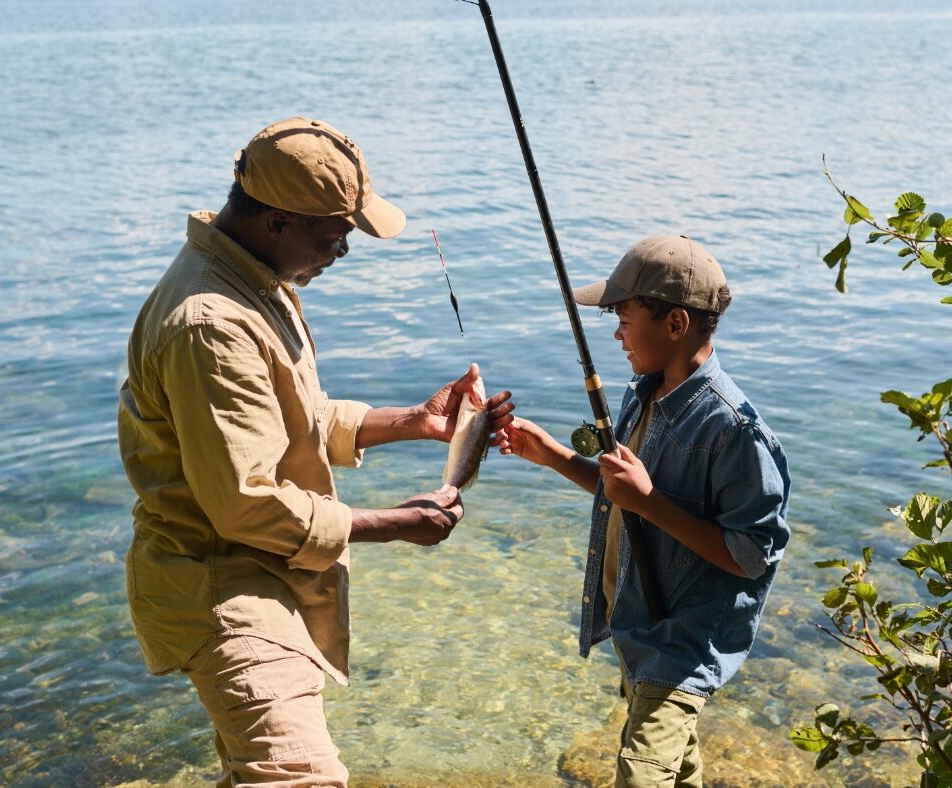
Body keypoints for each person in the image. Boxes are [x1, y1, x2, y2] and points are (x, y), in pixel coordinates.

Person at [117, 116, 514, 786]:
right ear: (278, 222)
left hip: (264, 579)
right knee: (303, 777)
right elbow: (246, 503)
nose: (343, 252)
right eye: (336, 236)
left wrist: (415, 421)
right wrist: (396, 524)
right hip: (224, 590)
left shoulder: (253, 282)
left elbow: (290, 422)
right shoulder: (212, 323)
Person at [498, 236, 790, 786]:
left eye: (626, 321)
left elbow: (752, 554)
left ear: (676, 323)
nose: (616, 334)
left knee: (641, 775)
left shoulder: (736, 431)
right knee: (678, 771)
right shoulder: (642, 393)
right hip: (638, 628)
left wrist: (651, 502)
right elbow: (623, 497)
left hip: (682, 645)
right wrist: (552, 455)